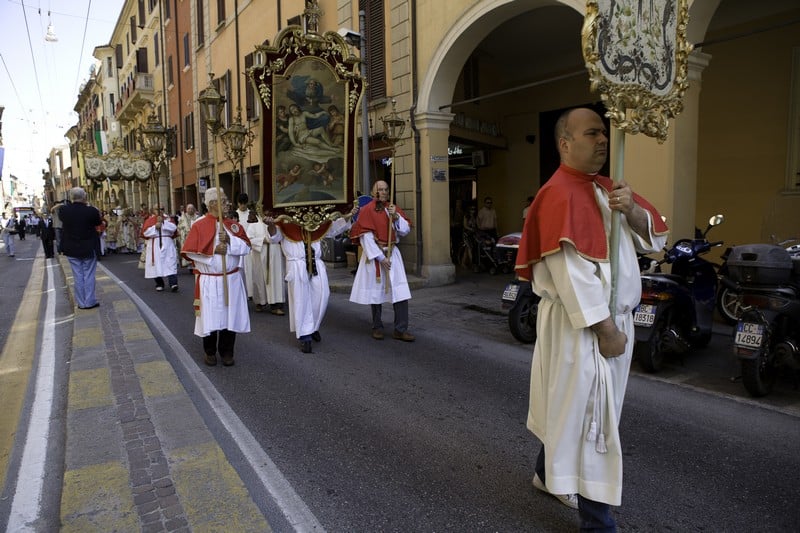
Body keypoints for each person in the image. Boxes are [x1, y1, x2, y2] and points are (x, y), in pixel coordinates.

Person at [515, 107, 668, 530]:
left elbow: (655, 236)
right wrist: (604, 329)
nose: (602, 140)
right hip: (582, 326)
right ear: (565, 143)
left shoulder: (608, 188)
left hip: (610, 321)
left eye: (604, 133)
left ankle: (548, 474)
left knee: (576, 408)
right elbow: (571, 275)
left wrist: (632, 208)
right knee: (592, 420)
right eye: (592, 133)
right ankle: (599, 523)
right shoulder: (557, 194)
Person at [266, 203, 358, 353]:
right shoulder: (284, 218)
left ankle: (313, 326)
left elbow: (332, 229)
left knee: (322, 295)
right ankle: (305, 335)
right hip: (297, 264)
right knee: (301, 300)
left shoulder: (315, 217)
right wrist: (270, 225)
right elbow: (274, 238)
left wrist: (347, 216)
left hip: (317, 262)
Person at [180, 187, 251, 367]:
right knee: (210, 316)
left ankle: (227, 352)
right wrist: (213, 251)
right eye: (224, 201)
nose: (228, 204)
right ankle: (209, 351)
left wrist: (230, 241)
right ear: (212, 204)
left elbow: (247, 247)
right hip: (210, 280)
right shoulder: (199, 225)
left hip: (232, 280)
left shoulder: (233, 225)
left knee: (230, 316)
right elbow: (190, 252)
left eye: (227, 200)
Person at [349, 180, 415, 342]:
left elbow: (404, 230)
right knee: (376, 293)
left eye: (386, 189)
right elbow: (366, 238)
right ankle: (377, 327)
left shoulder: (392, 209)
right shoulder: (366, 210)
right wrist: (381, 258)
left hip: (393, 254)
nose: (383, 192)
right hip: (376, 257)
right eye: (380, 189)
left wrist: (396, 216)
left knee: (400, 292)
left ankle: (400, 329)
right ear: (373, 192)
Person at [60, 187, 102, 310]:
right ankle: (89, 301)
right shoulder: (91, 211)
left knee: (77, 275)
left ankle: (81, 303)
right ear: (84, 197)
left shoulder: (64, 210)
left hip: (71, 248)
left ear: (71, 197)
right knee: (88, 275)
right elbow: (97, 222)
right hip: (88, 247)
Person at [141, 206, 179, 292]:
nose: (160, 211)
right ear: (153, 210)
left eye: (162, 209)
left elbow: (174, 228)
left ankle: (173, 283)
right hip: (155, 244)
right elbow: (145, 233)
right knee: (156, 264)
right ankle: (159, 283)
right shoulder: (149, 220)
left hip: (167, 243)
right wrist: (155, 227)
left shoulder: (168, 219)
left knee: (170, 263)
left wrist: (163, 223)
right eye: (157, 209)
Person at [245, 209, 269, 312]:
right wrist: (262, 240)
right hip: (258, 255)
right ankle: (259, 301)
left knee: (272, 279)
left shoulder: (273, 224)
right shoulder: (253, 226)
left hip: (271, 255)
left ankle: (275, 303)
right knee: (258, 278)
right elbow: (249, 239)